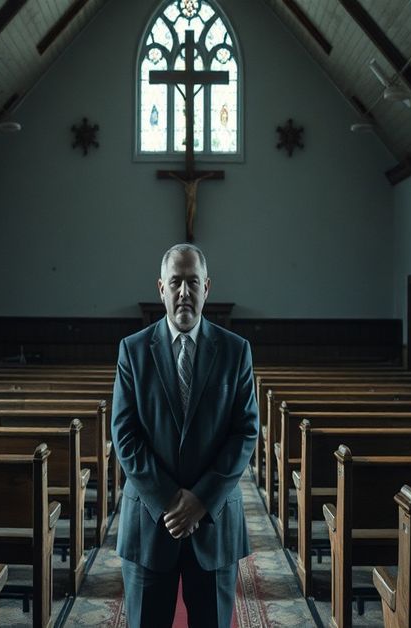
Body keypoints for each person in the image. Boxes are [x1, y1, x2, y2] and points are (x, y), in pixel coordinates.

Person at [111, 243, 259, 628]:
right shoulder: (133, 350)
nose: (183, 293)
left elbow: (245, 432)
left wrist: (201, 501)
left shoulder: (235, 351)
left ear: (206, 287)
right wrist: (171, 501)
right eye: (175, 282)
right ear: (161, 288)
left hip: (214, 523)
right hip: (149, 523)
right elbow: (124, 434)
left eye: (192, 282)